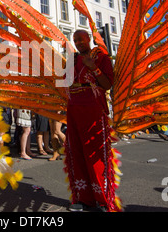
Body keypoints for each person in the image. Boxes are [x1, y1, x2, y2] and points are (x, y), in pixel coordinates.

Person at [64, 30, 121, 212]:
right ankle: (83, 199)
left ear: (88, 39)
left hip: (93, 109)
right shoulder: (71, 59)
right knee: (76, 153)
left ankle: (103, 200)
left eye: (81, 39)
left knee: (96, 154)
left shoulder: (101, 57)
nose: (78, 43)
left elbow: (107, 85)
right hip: (73, 109)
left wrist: (92, 67)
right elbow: (63, 82)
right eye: (75, 40)